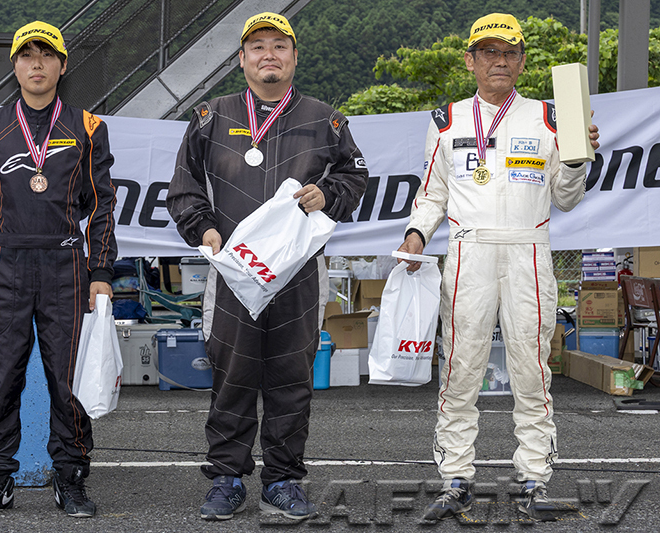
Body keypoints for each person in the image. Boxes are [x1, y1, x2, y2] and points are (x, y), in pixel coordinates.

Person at [397, 13, 600, 522]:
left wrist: (577, 161)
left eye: (510, 52)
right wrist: (416, 233)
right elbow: (432, 193)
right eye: (489, 51)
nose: (500, 61)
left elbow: (567, 199)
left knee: (532, 369)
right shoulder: (446, 119)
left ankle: (534, 478)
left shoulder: (550, 117)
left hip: (529, 250)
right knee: (460, 368)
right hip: (468, 252)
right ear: (470, 61)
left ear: (523, 62)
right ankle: (455, 479)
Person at [167, 12, 368, 521]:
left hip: (298, 275)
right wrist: (203, 230)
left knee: (291, 378)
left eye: (279, 45)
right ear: (242, 59)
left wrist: (329, 194)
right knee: (231, 375)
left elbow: (355, 176)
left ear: (294, 56)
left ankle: (282, 480)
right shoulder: (210, 117)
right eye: (257, 47)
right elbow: (184, 187)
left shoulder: (325, 119)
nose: (268, 55)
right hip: (234, 274)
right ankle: (227, 478)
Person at [0, 21, 117, 519]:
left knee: (68, 380)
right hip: (7, 264)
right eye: (26, 55)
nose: (36, 64)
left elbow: (102, 205)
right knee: (1, 377)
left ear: (62, 66)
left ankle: (71, 477)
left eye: (46, 55)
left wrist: (101, 271)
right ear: (15, 65)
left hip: (66, 265)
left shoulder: (88, 126)